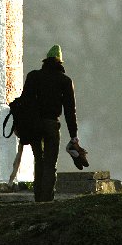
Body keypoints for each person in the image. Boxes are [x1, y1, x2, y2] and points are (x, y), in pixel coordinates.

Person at [22, 44, 79, 202]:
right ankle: (47, 200)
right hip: (52, 125)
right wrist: (74, 136)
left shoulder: (33, 77)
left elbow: (24, 102)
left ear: (45, 61)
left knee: (38, 161)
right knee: (50, 163)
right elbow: (69, 111)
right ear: (60, 63)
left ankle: (38, 198)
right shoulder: (65, 81)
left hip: (34, 126)